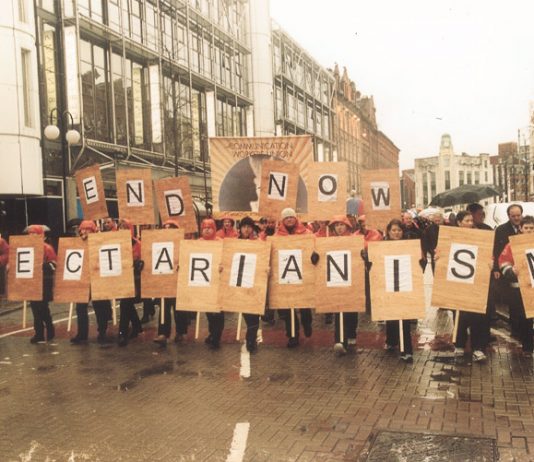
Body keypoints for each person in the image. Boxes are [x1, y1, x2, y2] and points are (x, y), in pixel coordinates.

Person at [452, 210, 489, 362]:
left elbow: (487, 254)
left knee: (476, 316)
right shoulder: (451, 237)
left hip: (475, 280)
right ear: (459, 222)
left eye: (471, 221)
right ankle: (459, 344)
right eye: (467, 221)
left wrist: (489, 262)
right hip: (457, 280)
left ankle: (478, 348)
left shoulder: (479, 236)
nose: (470, 223)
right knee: (459, 314)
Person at [275, 208, 314, 348]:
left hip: (303, 273)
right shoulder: (277, 236)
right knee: (288, 306)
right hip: (286, 275)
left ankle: (307, 322)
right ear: (283, 220)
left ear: (295, 218)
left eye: (291, 217)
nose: (289, 219)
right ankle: (293, 334)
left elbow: (314, 249)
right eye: (286, 218)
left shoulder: (307, 234)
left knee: (304, 305)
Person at [70, 220, 112, 344]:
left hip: (97, 279)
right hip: (83, 280)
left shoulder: (100, 243)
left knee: (100, 306)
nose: (84, 232)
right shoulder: (76, 244)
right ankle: (82, 333)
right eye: (83, 229)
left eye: (87, 230)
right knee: (80, 307)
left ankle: (102, 332)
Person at [499, 215, 534, 356]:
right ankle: (527, 347)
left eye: (532, 228)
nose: (529, 231)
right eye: (526, 228)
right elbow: (503, 262)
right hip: (519, 288)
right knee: (524, 319)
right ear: (520, 228)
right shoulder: (512, 245)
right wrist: (511, 271)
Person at [382, 219, 416, 362]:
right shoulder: (382, 246)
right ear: (389, 232)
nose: (396, 233)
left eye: (399, 230)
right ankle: (391, 340)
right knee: (391, 316)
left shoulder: (409, 246)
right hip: (389, 284)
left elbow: (417, 263)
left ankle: (406, 350)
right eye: (394, 230)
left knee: (404, 318)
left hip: (404, 284)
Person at [153, 219, 191, 346]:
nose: (167, 230)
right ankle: (163, 333)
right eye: (166, 227)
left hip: (178, 279)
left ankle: (180, 332)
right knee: (164, 307)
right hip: (164, 279)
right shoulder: (159, 243)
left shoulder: (184, 244)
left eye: (171, 227)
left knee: (178, 308)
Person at [328, 215, 359, 356]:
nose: (339, 228)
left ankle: (351, 333)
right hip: (336, 279)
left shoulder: (354, 240)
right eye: (336, 225)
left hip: (351, 278)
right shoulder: (330, 241)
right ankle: (340, 341)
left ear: (347, 226)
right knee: (339, 310)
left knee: (351, 310)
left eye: (341, 225)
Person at [493, 204, 524, 337]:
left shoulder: (527, 227)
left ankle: (525, 329)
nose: (517, 218)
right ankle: (516, 329)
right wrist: (496, 268)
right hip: (508, 271)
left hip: (526, 271)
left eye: (518, 215)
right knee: (513, 302)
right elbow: (496, 249)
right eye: (513, 216)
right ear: (508, 216)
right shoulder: (501, 230)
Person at [236, 216, 262, 353]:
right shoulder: (233, 243)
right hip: (240, 283)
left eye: (249, 226)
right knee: (247, 313)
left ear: (252, 229)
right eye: (244, 226)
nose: (246, 229)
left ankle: (251, 340)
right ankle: (251, 339)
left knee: (254, 314)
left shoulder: (258, 243)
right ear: (240, 228)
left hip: (254, 282)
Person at [27, 225, 57, 343]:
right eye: (29, 234)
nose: (31, 236)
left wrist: (42, 266)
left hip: (44, 282)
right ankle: (39, 332)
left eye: (33, 234)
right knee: (35, 307)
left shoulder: (47, 248)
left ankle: (49, 328)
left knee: (42, 307)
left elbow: (54, 264)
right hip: (32, 282)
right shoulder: (27, 249)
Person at [117, 219, 143, 347]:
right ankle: (137, 326)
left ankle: (122, 333)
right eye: (120, 227)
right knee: (126, 304)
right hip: (121, 279)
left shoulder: (137, 244)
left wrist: (138, 264)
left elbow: (143, 260)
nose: (122, 230)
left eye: (125, 228)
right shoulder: (115, 243)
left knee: (125, 304)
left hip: (134, 280)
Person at [200, 218, 225, 350]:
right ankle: (212, 332)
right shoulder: (197, 244)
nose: (207, 229)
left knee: (218, 310)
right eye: (205, 227)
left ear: (214, 228)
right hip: (204, 282)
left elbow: (226, 259)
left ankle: (217, 335)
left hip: (218, 281)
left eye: (210, 227)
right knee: (209, 311)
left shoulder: (221, 243)